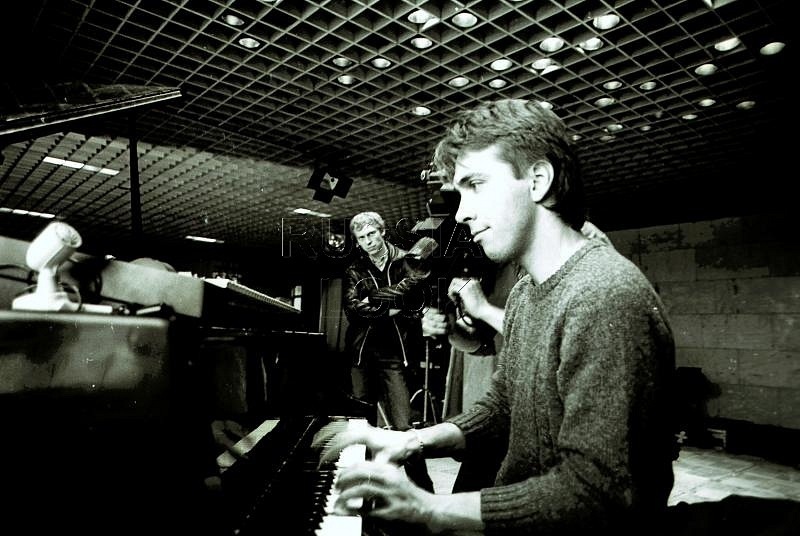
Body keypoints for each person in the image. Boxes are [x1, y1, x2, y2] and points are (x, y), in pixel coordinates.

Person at [320, 99, 677, 535]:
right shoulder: (528, 292)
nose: (461, 212)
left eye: (476, 185)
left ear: (538, 181)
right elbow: (504, 407)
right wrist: (412, 439)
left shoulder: (604, 295)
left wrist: (429, 507)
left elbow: (597, 494)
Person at [342, 210, 434, 491]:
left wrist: (372, 299)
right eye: (362, 237)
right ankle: (364, 493)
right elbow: (353, 310)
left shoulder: (406, 260)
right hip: (361, 354)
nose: (368, 241)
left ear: (382, 232)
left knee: (404, 428)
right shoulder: (354, 269)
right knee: (361, 428)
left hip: (395, 353)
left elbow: (412, 303)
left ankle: (424, 491)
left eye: (372, 234)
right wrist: (390, 305)